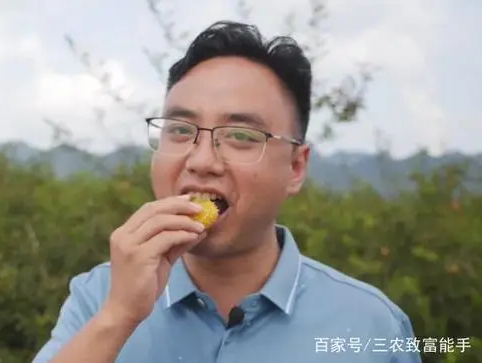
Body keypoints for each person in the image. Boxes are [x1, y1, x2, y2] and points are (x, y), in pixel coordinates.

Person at [32, 20, 422, 363]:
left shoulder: (371, 326)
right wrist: (118, 317)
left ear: (296, 167)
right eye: (181, 130)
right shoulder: (99, 295)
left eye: (239, 136)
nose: (201, 161)